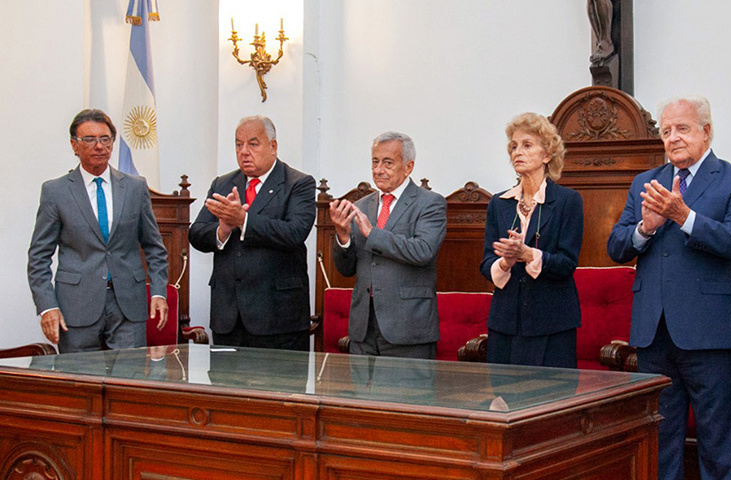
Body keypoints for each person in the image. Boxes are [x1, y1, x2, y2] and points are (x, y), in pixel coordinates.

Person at [607, 96, 731, 480]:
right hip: (654, 332)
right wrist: (647, 227)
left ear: (706, 132)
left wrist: (684, 216)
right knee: (662, 439)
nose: (673, 138)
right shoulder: (646, 181)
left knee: (716, 441)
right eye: (667, 131)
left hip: (711, 333)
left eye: (683, 129)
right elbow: (617, 246)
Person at [28, 108, 169, 353]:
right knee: (81, 383)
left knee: (129, 382)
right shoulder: (56, 192)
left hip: (128, 304)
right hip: (76, 306)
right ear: (74, 145)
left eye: (105, 139)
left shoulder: (135, 188)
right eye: (90, 140)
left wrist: (158, 291)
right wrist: (47, 307)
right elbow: (38, 258)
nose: (99, 146)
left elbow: (155, 248)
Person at [188, 116, 316, 351]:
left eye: (253, 144)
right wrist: (222, 230)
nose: (244, 151)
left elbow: (295, 232)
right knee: (226, 388)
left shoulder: (298, 183)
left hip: (278, 320)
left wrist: (243, 220)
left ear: (273, 146)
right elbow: (196, 233)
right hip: (228, 318)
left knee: (277, 387)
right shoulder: (223, 184)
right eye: (239, 144)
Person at [330, 132, 447, 359]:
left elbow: (423, 251)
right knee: (360, 395)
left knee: (406, 396)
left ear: (408, 166)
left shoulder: (430, 203)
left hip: (408, 328)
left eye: (388, 162)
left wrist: (372, 233)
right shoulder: (361, 206)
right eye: (375, 161)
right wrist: (343, 236)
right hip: (363, 329)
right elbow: (346, 270)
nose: (378, 169)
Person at [480, 112, 583, 368]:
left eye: (527, 145)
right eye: (514, 146)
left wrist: (528, 255)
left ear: (547, 155)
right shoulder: (498, 203)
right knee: (504, 402)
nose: (517, 152)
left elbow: (567, 263)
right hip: (505, 324)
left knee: (550, 403)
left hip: (552, 324)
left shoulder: (568, 201)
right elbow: (485, 263)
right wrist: (505, 262)